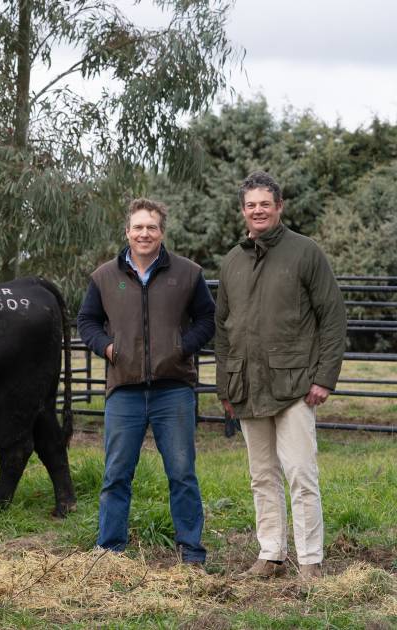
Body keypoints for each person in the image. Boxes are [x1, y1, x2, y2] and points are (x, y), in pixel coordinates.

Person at [216, 171, 346, 580]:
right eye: (251, 204)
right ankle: (270, 553)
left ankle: (310, 561)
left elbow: (332, 316)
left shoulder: (305, 252)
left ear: (279, 207)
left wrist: (324, 377)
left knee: (301, 474)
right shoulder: (233, 260)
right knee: (261, 476)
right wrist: (226, 385)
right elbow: (223, 328)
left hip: (295, 387)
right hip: (248, 386)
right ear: (243, 211)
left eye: (265, 203)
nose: (258, 210)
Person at [77, 198, 215, 565]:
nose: (144, 233)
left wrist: (181, 348)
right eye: (138, 227)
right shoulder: (104, 277)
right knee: (116, 474)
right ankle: (109, 553)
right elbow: (86, 322)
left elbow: (207, 319)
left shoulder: (188, 273)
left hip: (174, 389)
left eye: (151, 227)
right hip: (124, 389)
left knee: (182, 474)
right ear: (127, 232)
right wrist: (107, 348)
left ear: (162, 233)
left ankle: (191, 555)